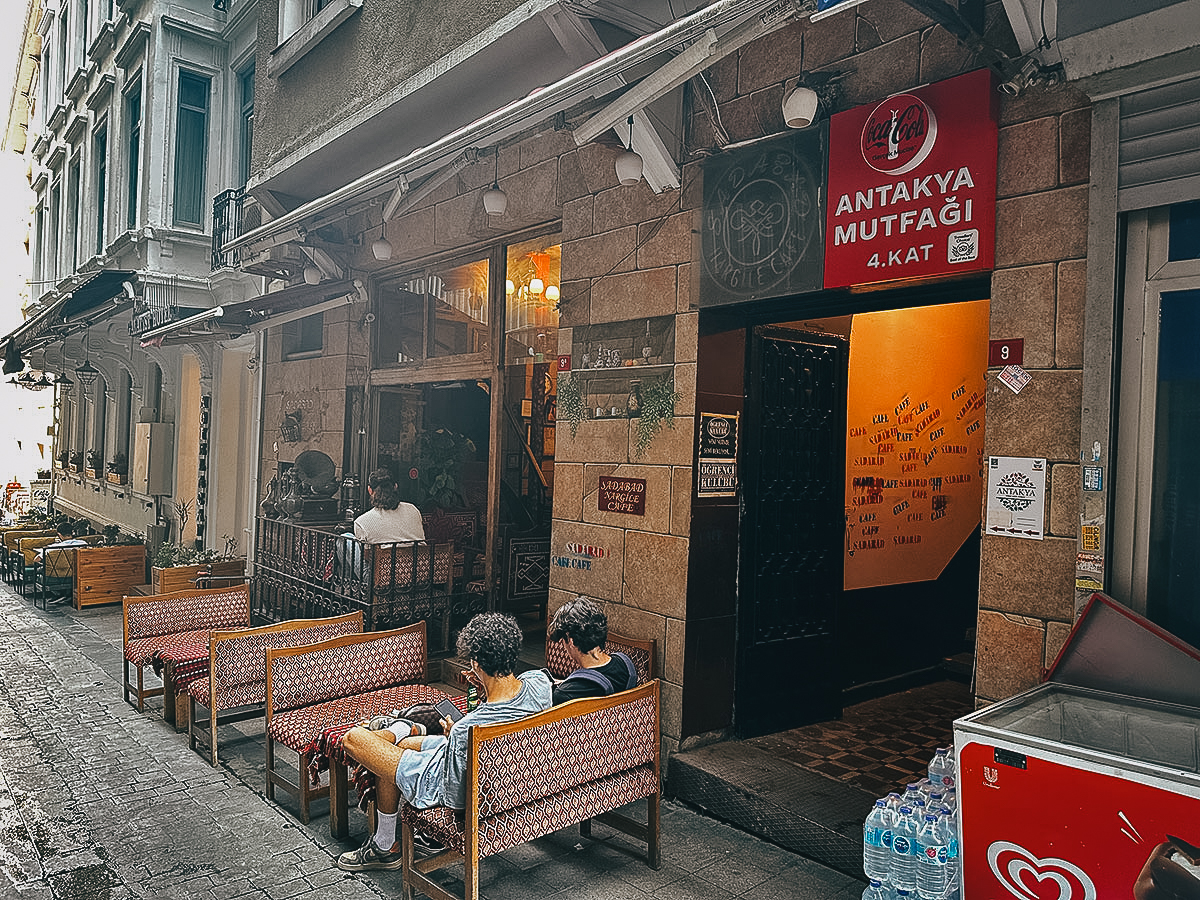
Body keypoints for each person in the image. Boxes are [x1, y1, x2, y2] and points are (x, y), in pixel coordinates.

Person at [335, 612, 552, 872]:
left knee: (354, 738)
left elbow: (455, 800)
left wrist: (456, 738)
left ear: (477, 663)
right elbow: (504, 708)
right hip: (508, 777)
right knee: (403, 747)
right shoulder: (539, 683)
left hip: (448, 782)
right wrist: (484, 690)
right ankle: (386, 844)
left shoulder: (466, 730)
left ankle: (401, 727)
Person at [547, 596, 637, 705]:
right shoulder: (626, 666)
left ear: (571, 641)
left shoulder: (564, 695)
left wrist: (567, 687)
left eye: (563, 641)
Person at [353, 468, 425, 544]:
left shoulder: (361, 523)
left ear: (370, 490)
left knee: (346, 538)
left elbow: (364, 553)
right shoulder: (413, 510)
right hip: (416, 555)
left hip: (382, 556)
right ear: (395, 486)